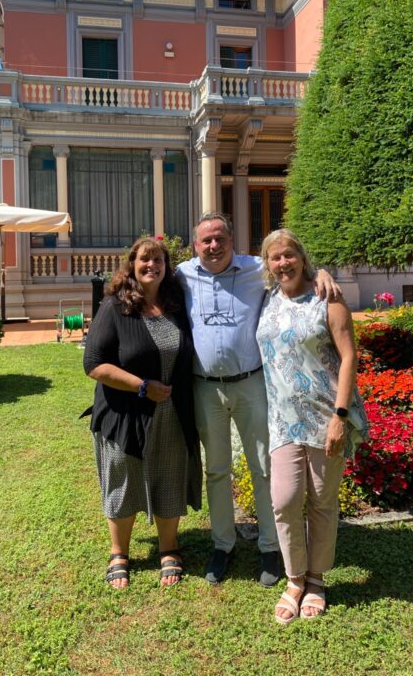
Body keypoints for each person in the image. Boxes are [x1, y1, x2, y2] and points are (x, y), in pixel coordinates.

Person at [176, 213, 340, 586]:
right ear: (195, 245)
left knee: (263, 466)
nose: (213, 245)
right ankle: (223, 544)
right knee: (216, 470)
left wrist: (322, 273)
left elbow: (291, 268)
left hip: (251, 384)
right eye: (206, 240)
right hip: (205, 387)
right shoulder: (182, 275)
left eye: (220, 238)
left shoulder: (255, 269)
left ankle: (269, 546)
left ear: (232, 240)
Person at [256, 229, 369, 623]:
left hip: (325, 418)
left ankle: (316, 580)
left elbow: (349, 356)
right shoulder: (266, 298)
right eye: (275, 257)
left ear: (302, 257)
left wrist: (340, 417)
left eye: (289, 255)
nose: (282, 263)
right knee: (284, 500)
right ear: (267, 264)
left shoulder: (327, 298)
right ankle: (294, 579)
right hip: (282, 421)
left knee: (321, 502)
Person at [83, 236, 202, 589]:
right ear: (132, 265)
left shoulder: (175, 305)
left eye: (158, 260)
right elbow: (93, 364)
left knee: (169, 475)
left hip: (172, 412)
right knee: (123, 477)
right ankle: (119, 552)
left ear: (167, 267)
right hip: (125, 413)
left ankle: (169, 547)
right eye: (144, 260)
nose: (152, 266)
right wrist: (141, 385)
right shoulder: (115, 307)